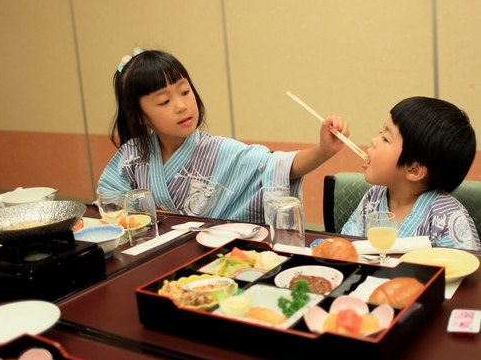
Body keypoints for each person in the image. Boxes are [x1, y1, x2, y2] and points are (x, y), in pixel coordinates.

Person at [97, 48, 349, 224]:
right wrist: (147, 213)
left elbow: (278, 166)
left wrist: (324, 149)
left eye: (184, 92)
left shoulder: (219, 151)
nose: (181, 105)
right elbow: (109, 201)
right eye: (164, 101)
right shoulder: (132, 156)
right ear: (140, 115)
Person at [342, 96, 481, 250]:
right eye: (381, 133)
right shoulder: (373, 197)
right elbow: (350, 248)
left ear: (414, 170)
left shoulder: (449, 219)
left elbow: (462, 268)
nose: (374, 141)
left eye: (386, 139)